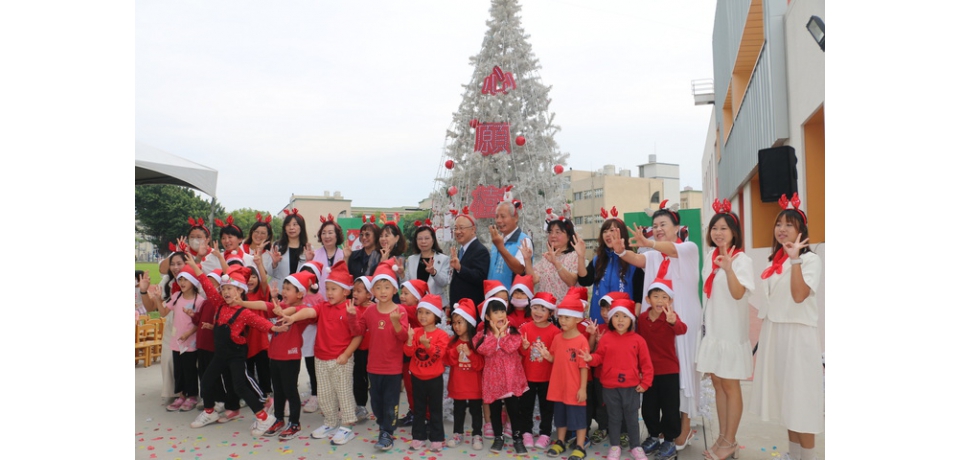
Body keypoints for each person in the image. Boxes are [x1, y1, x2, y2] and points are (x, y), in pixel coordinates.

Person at [612, 201, 701, 448]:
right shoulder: (653, 255)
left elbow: (660, 248)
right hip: (656, 326)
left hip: (682, 321)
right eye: (655, 225)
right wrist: (620, 251)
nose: (658, 228)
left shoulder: (688, 249)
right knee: (661, 375)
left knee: (683, 371)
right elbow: (637, 259)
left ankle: (684, 427)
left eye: (663, 224)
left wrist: (649, 241)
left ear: (677, 227)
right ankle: (661, 429)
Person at [749, 194, 823, 460]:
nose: (781, 229)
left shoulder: (810, 261)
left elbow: (799, 295)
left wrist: (795, 260)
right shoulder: (773, 262)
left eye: (788, 224)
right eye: (779, 223)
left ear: (801, 230)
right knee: (787, 400)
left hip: (798, 334)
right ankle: (794, 454)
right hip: (776, 332)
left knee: (802, 400)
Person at [187, 259, 288, 437]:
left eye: (229, 288)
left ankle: (264, 418)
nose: (225, 292)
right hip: (220, 354)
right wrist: (194, 266)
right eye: (223, 288)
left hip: (235, 355)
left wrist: (274, 328)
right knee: (206, 380)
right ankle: (209, 412)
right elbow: (205, 283)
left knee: (240, 387)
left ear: (240, 290)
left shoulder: (244, 312)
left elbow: (260, 322)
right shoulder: (219, 304)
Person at [280, 261, 362, 445]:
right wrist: (292, 317)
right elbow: (308, 311)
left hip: (341, 360)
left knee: (343, 392)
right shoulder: (323, 307)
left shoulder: (350, 310)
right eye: (328, 288)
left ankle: (347, 426)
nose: (330, 293)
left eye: (334, 289)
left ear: (346, 291)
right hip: (321, 358)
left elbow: (358, 335)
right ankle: (330, 422)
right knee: (324, 394)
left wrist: (346, 354)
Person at [697, 199, 754, 460]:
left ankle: (730, 441)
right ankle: (722, 436)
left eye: (724, 228)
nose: (718, 233)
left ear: (734, 232)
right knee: (718, 383)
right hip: (715, 330)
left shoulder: (741, 260)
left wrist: (729, 269)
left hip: (731, 332)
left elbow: (738, 293)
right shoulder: (710, 255)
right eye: (714, 228)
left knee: (730, 384)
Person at [236, 270, 315, 441]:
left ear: (300, 293)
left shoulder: (300, 309)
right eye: (283, 288)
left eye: (288, 289)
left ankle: (294, 423)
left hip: (290, 358)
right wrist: (241, 302)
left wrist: (284, 313)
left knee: (290, 391)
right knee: (278, 392)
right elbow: (263, 305)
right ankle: (278, 419)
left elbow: (301, 312)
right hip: (275, 356)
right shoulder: (281, 307)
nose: (283, 291)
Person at [349, 258, 410, 451]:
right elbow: (358, 331)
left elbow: (403, 337)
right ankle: (384, 426)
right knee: (376, 403)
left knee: (390, 402)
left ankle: (387, 432)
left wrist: (397, 324)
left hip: (392, 368)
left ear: (394, 290)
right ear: (372, 291)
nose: (383, 291)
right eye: (378, 287)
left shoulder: (400, 311)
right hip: (373, 367)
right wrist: (352, 317)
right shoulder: (369, 311)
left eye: (387, 286)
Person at [582, 297, 654, 460]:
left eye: (625, 316)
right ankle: (615, 445)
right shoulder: (606, 338)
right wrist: (590, 358)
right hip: (610, 387)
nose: (620, 320)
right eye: (616, 316)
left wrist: (645, 383)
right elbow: (599, 357)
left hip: (631, 387)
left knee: (632, 418)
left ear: (631, 319)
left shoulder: (638, 340)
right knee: (613, 417)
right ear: (611, 318)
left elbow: (647, 365)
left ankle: (636, 446)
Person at [535, 291, 590, 460]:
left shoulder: (581, 341)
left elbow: (583, 367)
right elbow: (554, 358)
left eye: (568, 317)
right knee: (560, 417)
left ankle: (580, 446)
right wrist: (546, 355)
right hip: (559, 386)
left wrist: (582, 388)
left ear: (578, 319)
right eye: (561, 317)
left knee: (579, 418)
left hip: (574, 388)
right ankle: (560, 441)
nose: (563, 321)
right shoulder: (558, 338)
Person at [636, 278, 687, 460]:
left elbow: (682, 330)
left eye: (664, 297)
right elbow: (638, 343)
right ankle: (653, 436)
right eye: (656, 296)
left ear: (670, 301)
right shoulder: (642, 319)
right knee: (649, 407)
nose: (660, 300)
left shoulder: (671, 317)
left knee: (670, 407)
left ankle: (670, 440)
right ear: (648, 299)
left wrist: (673, 322)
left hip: (669, 370)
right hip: (649, 372)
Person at [474, 297, 528, 454]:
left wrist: (502, 335)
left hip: (511, 378)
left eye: (502, 311)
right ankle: (498, 437)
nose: (500, 315)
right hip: (493, 380)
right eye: (495, 312)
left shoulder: (513, 332)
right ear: (487, 317)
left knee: (514, 409)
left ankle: (518, 439)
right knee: (495, 410)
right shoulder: (481, 336)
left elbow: (511, 347)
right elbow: (485, 350)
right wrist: (495, 335)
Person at [577, 209, 644, 324]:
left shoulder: (634, 260)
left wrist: (634, 320)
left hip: (623, 323)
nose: (608, 234)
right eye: (605, 231)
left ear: (622, 233)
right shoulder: (598, 259)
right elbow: (584, 280)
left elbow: (639, 296)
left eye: (612, 230)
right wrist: (581, 256)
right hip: (599, 319)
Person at [403, 294, 450, 452]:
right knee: (419, 409)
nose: (423, 316)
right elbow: (409, 353)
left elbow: (439, 355)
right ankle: (418, 437)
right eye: (420, 312)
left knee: (436, 409)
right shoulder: (415, 332)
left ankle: (437, 438)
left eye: (427, 312)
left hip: (435, 378)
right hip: (417, 377)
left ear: (436, 315)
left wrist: (427, 346)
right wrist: (409, 340)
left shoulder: (441, 335)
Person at [517, 292, 560, 451]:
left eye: (543, 309)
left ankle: (545, 433)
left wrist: (549, 356)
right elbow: (520, 352)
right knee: (526, 406)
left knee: (547, 407)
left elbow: (556, 357)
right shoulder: (525, 328)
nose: (538, 312)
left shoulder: (555, 332)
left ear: (550, 312)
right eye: (535, 307)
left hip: (547, 377)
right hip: (527, 376)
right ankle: (526, 432)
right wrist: (524, 347)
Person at [160, 264, 205, 412]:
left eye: (186, 279)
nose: (182, 283)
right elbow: (163, 312)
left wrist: (188, 333)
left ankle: (192, 396)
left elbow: (200, 323)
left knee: (190, 370)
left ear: (193, 282)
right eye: (180, 280)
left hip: (190, 343)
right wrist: (156, 299)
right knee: (178, 370)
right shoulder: (176, 296)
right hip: (176, 342)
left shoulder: (199, 301)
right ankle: (181, 395)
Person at [444, 299, 485, 451]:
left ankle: (477, 434)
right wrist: (455, 351)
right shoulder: (452, 341)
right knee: (458, 409)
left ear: (469, 322)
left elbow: (480, 364)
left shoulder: (477, 341)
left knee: (475, 410)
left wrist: (470, 353)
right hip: (458, 384)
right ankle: (457, 433)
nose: (456, 326)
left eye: (460, 322)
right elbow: (447, 360)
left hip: (474, 385)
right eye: (454, 323)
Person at [530, 213, 587, 302]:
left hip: (566, 311)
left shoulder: (575, 256)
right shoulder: (546, 257)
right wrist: (527, 259)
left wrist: (555, 263)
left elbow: (571, 282)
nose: (553, 235)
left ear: (568, 236)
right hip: (546, 311)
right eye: (550, 232)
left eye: (558, 232)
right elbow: (533, 279)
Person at [487, 190, 533, 287]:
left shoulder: (524, 240)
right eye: (496, 217)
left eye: (503, 217)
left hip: (512, 298)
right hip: (493, 295)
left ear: (515, 218)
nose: (499, 221)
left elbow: (520, 270)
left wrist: (501, 247)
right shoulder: (498, 240)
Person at [405, 221, 451, 310]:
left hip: (436, 306)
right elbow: (406, 283)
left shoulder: (443, 259)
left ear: (433, 240)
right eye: (420, 239)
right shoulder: (411, 259)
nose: (423, 241)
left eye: (427, 238)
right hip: (416, 305)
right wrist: (401, 274)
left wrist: (433, 272)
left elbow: (444, 282)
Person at [449, 208, 490, 308]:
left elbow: (480, 278)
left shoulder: (480, 251)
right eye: (455, 228)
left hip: (471, 307)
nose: (458, 232)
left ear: (473, 229)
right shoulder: (461, 250)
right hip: (459, 307)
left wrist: (460, 268)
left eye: (461, 228)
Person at [351, 276, 374, 421]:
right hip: (359, 350)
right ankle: (360, 406)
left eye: (359, 291)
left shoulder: (375, 309)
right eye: (353, 290)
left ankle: (381, 406)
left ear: (369, 294)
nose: (354, 294)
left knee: (374, 380)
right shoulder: (353, 309)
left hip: (374, 351)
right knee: (359, 378)